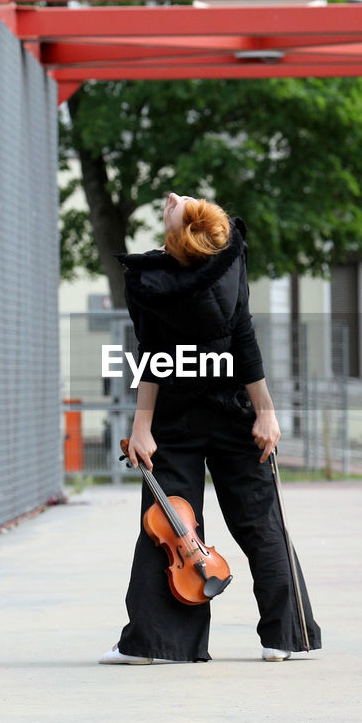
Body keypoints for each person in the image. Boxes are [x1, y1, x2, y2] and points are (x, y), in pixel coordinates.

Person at [99, 192, 321, 665]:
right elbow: (243, 335)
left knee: (171, 526)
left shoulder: (149, 278)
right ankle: (287, 635)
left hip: (175, 414)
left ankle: (159, 643)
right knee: (260, 519)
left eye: (178, 205)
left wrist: (142, 426)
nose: (174, 197)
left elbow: (153, 354)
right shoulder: (229, 261)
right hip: (234, 407)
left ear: (176, 236)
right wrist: (264, 410)